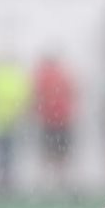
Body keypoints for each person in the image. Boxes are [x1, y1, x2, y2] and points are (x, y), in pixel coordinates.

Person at [0, 55, 31, 195]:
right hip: (1, 122)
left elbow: (21, 97)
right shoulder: (2, 77)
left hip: (7, 122)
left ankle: (6, 182)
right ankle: (2, 182)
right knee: (2, 153)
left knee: (7, 153)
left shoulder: (0, 77)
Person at [31, 54, 77, 188]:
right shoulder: (61, 76)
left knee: (52, 152)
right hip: (58, 120)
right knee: (58, 152)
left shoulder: (44, 77)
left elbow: (37, 98)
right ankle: (58, 180)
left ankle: (53, 180)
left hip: (52, 120)